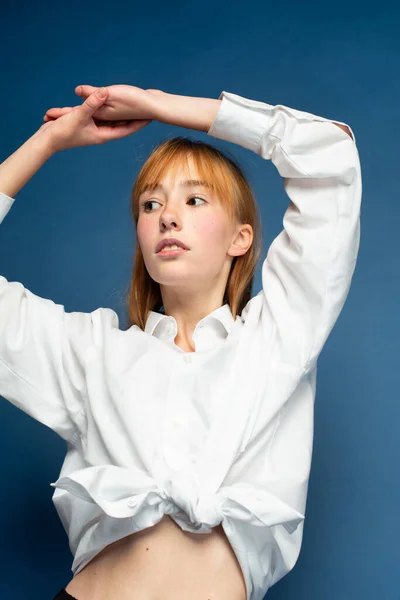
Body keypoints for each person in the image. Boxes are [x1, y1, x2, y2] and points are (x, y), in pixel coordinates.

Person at [0, 84, 361, 600]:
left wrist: (158, 105)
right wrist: (48, 141)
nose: (168, 216)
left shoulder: (276, 338)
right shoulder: (92, 354)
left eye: (194, 199)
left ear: (241, 238)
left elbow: (329, 153)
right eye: (151, 204)